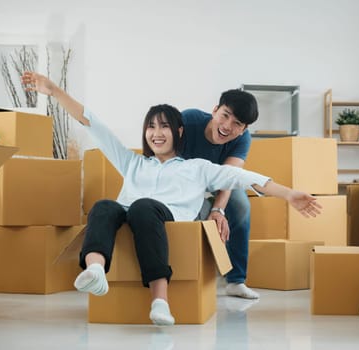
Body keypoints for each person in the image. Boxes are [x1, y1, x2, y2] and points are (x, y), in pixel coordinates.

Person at [21, 71, 322, 326]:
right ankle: (96, 269)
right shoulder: (133, 162)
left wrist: (289, 194)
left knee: (143, 208)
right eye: (151, 126)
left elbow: (244, 178)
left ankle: (160, 301)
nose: (156, 133)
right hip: (132, 213)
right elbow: (93, 125)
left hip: (164, 216)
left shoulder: (197, 168)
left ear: (179, 132)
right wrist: (53, 91)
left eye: (164, 126)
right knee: (104, 206)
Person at [180, 90, 261, 299]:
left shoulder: (243, 140)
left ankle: (236, 280)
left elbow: (229, 177)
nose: (227, 126)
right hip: (182, 178)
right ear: (214, 110)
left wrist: (218, 210)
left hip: (218, 179)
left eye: (237, 124)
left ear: (244, 129)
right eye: (225, 115)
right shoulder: (187, 121)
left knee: (241, 205)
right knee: (192, 211)